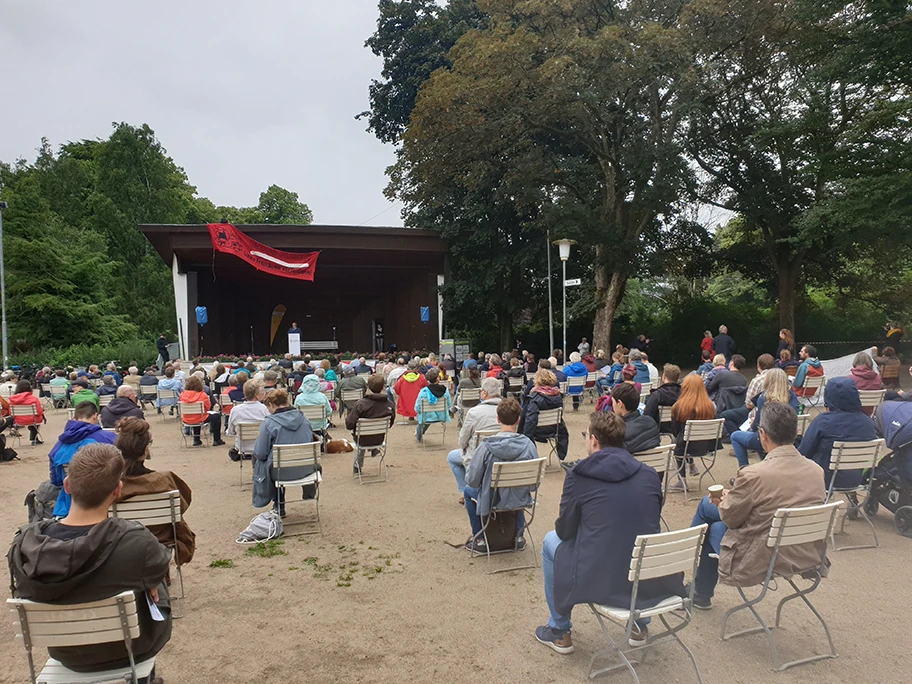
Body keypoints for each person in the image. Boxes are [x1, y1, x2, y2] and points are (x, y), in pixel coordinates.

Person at [9, 443, 172, 679]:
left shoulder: (24, 546)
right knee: (155, 583)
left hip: (67, 653)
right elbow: (160, 568)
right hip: (132, 649)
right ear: (118, 489)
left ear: (67, 486)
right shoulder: (136, 541)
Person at [535, 411, 682, 653]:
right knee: (636, 538)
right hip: (647, 572)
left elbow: (565, 530)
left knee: (551, 540)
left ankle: (559, 630)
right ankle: (639, 625)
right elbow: (651, 517)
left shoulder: (578, 475)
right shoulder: (648, 474)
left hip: (600, 573)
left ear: (594, 440)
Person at [689, 403, 826, 609]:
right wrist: (734, 497)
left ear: (762, 434)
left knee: (707, 510)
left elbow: (731, 518)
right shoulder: (816, 471)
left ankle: (689, 564)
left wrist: (725, 500)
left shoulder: (755, 474)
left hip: (761, 559)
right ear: (796, 431)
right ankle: (699, 592)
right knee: (716, 528)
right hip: (804, 554)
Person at [116, 417, 195, 565]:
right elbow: (182, 505)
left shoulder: (113, 486)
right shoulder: (165, 479)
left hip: (123, 542)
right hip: (161, 540)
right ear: (146, 450)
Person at [463, 398, 537, 552]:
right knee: (515, 488)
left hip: (492, 499)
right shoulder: (529, 445)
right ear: (518, 420)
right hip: (519, 498)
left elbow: (472, 481)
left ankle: (481, 538)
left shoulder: (485, 446)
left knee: (467, 491)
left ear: (497, 419)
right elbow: (533, 485)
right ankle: (518, 536)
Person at [799, 377, 877, 490]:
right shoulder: (868, 422)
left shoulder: (823, 421)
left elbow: (804, 453)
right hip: (856, 478)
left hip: (825, 477)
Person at [254, 389, 320, 516]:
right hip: (307, 469)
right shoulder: (304, 419)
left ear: (271, 405)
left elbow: (260, 453)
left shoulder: (269, 423)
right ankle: (308, 491)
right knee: (278, 461)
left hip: (280, 472)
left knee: (264, 462)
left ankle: (278, 504)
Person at [49, 402, 119, 517]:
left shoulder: (59, 445)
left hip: (71, 503)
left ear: (74, 418)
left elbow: (56, 481)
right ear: (95, 416)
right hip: (107, 502)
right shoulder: (109, 438)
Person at [447, 378, 502, 502]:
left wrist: (465, 447)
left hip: (478, 457)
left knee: (451, 457)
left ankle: (466, 490)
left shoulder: (474, 412)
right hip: (501, 454)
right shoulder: (508, 409)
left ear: (485, 393)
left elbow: (462, 440)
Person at [729, 369, 798, 468]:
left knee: (735, 436)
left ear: (768, 380)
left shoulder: (764, 397)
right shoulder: (792, 397)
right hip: (788, 439)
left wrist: (753, 423)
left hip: (768, 438)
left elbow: (757, 425)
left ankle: (744, 469)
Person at [669, 375, 718, 490]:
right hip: (706, 447)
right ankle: (691, 466)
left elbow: (675, 432)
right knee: (684, 441)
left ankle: (682, 481)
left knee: (679, 442)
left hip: (685, 448)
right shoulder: (710, 406)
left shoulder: (678, 407)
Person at [346, 374, 395, 474]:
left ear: (368, 387)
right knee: (364, 434)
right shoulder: (390, 404)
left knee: (360, 437)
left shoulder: (361, 404)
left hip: (362, 438)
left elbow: (349, 425)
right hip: (379, 438)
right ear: (382, 387)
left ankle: (357, 466)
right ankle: (373, 448)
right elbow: (390, 424)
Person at [519, 369, 569, 462]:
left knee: (523, 428)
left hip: (537, 430)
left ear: (537, 381)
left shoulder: (534, 398)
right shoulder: (557, 396)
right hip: (555, 428)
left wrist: (525, 435)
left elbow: (531, 420)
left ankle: (530, 456)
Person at [718, 354, 774, 436]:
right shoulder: (781, 379)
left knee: (724, 415)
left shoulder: (757, 380)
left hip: (757, 411)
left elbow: (749, 405)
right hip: (774, 410)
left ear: (758, 365)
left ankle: (738, 435)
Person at [226, 378, 269, 461]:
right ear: (257, 395)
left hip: (242, 447)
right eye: (262, 392)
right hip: (262, 447)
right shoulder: (265, 410)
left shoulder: (235, 410)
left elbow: (231, 432)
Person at [611, 383, 660, 454]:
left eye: (613, 402)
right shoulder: (651, 422)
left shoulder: (618, 432)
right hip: (656, 463)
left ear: (619, 403)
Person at [178, 375, 225, 447]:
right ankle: (217, 439)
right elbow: (208, 407)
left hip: (186, 418)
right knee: (217, 416)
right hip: (200, 418)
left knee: (195, 415)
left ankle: (196, 439)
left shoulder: (182, 395)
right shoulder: (202, 395)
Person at [414, 368, 451, 442]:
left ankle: (419, 436)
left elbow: (417, 407)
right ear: (437, 378)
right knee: (430, 414)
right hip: (441, 416)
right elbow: (449, 404)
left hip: (427, 416)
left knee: (425, 417)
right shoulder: (445, 390)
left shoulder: (423, 391)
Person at [643, 364, 682, 430]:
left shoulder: (657, 395)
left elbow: (648, 414)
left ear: (664, 376)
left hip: (659, 427)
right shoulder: (683, 394)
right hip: (678, 426)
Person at [10, 379, 45, 445]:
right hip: (33, 419)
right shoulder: (33, 398)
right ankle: (34, 438)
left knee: (30, 417)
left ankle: (15, 429)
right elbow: (39, 412)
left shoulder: (12, 399)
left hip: (19, 420)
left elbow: (11, 412)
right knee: (36, 418)